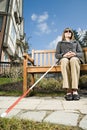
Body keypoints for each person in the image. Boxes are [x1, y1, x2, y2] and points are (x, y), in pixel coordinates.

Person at [55, 27, 84, 101]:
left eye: (69, 31)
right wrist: (64, 55)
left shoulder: (76, 42)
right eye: (66, 31)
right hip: (64, 59)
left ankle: (74, 90)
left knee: (73, 60)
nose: (68, 32)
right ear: (64, 34)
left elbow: (81, 53)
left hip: (74, 58)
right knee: (64, 61)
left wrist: (74, 54)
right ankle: (68, 90)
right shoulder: (60, 43)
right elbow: (57, 55)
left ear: (71, 34)